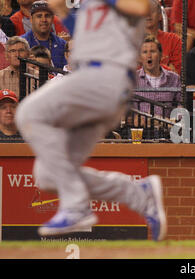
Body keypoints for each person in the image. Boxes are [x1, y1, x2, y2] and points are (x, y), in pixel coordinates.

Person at [15, 0, 167, 240]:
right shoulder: (92, 5)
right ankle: (138, 194)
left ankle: (76, 205)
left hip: (106, 76)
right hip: (95, 81)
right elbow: (90, 37)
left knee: (28, 113)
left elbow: (142, 7)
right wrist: (64, 13)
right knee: (48, 174)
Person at [135, 35, 181, 120]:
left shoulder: (174, 79)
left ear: (160, 55)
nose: (149, 55)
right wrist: (136, 119)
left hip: (166, 129)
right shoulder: (133, 79)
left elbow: (181, 106)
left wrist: (171, 120)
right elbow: (124, 110)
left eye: (152, 51)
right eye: (145, 52)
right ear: (140, 57)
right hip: (140, 130)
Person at [21, 0, 67, 69]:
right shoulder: (22, 44)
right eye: (39, 16)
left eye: (47, 15)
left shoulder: (62, 44)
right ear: (31, 19)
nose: (44, 20)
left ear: (52, 18)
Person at [145, 0, 182, 74]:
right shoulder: (130, 41)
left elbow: (174, 75)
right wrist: (165, 67)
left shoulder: (174, 40)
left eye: (152, 11)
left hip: (167, 85)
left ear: (160, 16)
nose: (148, 15)